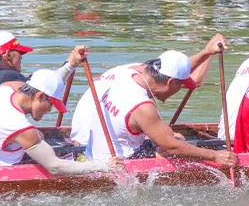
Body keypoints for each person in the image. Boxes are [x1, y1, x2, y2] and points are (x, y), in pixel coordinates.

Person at [70, 38, 238, 168]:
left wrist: (206, 52)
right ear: (170, 82)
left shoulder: (130, 73)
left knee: (175, 136)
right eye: (181, 85)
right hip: (117, 163)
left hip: (94, 150)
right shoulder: (142, 106)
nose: (181, 89)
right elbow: (171, 147)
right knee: (173, 148)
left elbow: (176, 68)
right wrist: (215, 156)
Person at [0, 68, 123, 175]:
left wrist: (70, 64)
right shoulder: (19, 126)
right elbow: (55, 167)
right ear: (39, 96)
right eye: (51, 103)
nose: (50, 109)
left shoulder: (3, 90)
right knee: (65, 160)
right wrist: (103, 167)